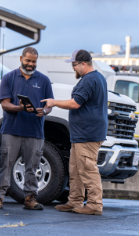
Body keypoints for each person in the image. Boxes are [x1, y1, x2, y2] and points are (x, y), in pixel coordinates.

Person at [42, 49, 107, 215]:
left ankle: (94, 204)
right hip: (83, 133)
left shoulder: (88, 80)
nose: (73, 68)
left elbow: (75, 103)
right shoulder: (98, 77)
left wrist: (54, 102)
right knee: (76, 168)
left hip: (87, 134)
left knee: (87, 169)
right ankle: (75, 201)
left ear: (83, 64)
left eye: (74, 64)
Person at [0, 47, 53, 210]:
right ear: (21, 59)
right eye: (28, 60)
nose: (31, 64)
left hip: (35, 131)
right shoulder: (9, 78)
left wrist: (44, 111)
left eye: (34, 61)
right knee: (6, 164)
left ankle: (30, 199)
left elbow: (49, 105)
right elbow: (4, 104)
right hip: (11, 130)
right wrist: (20, 108)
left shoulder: (44, 80)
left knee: (32, 166)